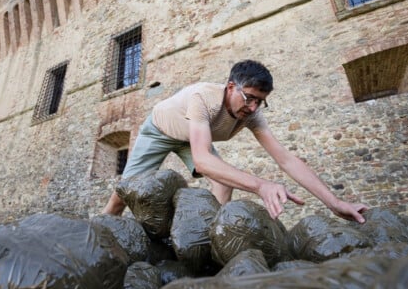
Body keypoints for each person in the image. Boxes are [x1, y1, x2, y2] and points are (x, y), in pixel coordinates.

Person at [102, 60, 368, 222]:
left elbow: (286, 159)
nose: (253, 107)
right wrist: (260, 185)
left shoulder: (251, 115)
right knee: (123, 194)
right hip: (160, 130)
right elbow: (203, 160)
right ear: (231, 87)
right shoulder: (203, 98)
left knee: (223, 182)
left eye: (260, 101)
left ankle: (207, 237)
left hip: (193, 136)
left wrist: (335, 204)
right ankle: (98, 234)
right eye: (249, 98)